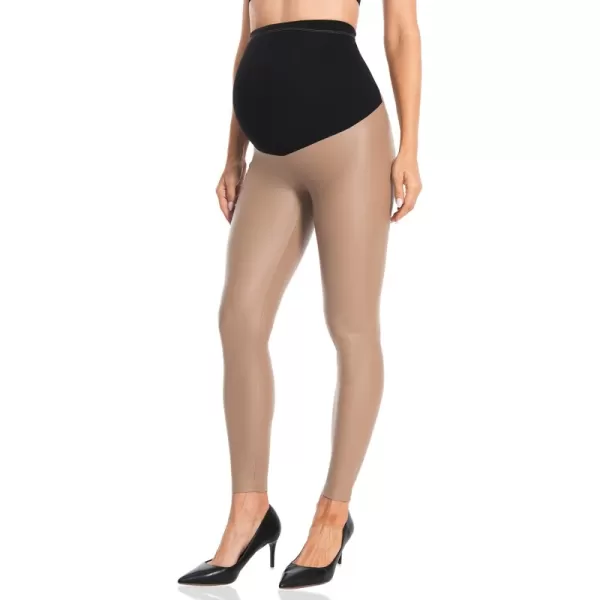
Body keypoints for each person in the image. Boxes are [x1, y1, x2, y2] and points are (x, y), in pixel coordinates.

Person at [179, 0, 422, 589]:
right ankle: (249, 510)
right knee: (238, 319)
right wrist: (233, 153)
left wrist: (410, 148)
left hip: (349, 138)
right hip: (269, 156)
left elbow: (400, 32)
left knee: (350, 325)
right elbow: (249, 36)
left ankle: (333, 515)